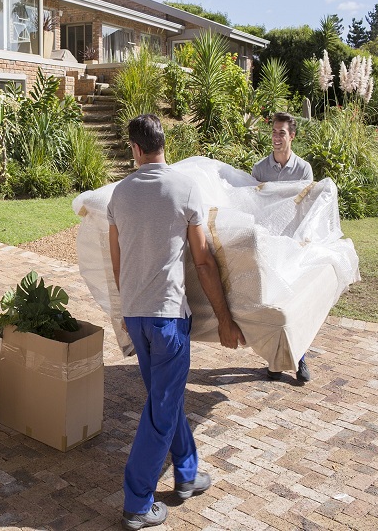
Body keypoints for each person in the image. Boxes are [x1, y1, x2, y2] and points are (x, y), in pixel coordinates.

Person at [108, 114, 246, 530]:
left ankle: (186, 474)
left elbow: (117, 265)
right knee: (162, 410)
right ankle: (137, 501)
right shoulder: (185, 188)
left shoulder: (118, 194)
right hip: (168, 318)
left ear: (134, 148)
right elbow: (203, 261)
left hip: (136, 315)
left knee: (164, 401)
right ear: (164, 145)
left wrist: (132, 305)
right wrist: (225, 319)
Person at [251, 112, 313, 383]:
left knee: (294, 302)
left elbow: (306, 210)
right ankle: (275, 361)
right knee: (273, 304)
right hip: (267, 245)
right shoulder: (259, 170)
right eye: (274, 132)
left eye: (282, 133)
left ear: (292, 136)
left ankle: (300, 358)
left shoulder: (303, 170)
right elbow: (253, 206)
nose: (276, 138)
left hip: (292, 244)